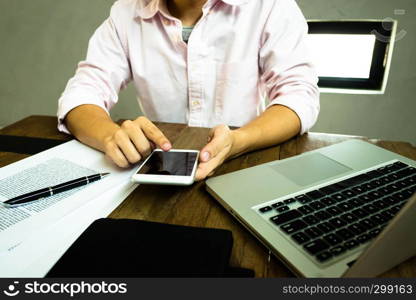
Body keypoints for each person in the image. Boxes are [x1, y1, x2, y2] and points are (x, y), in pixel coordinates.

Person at [57, 0, 320, 181]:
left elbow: (298, 95)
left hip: (245, 161)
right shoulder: (126, 12)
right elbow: (83, 91)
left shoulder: (271, 5)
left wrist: (239, 141)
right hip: (162, 169)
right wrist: (110, 136)